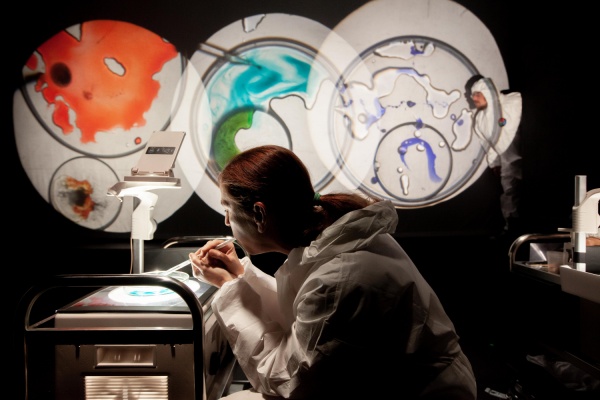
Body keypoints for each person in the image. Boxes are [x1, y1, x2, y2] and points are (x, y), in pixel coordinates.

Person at [188, 145, 477, 399]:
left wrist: (229, 288)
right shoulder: (338, 242)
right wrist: (240, 277)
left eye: (227, 208)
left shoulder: (340, 277)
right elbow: (306, 318)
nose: (226, 222)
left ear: (260, 214)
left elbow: (289, 381)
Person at [469, 76, 523, 237]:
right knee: (510, 193)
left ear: (488, 93)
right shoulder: (480, 119)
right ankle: (512, 229)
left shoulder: (513, 102)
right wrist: (495, 163)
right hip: (508, 164)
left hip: (529, 159)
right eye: (472, 95)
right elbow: (488, 144)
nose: (474, 98)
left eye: (477, 94)